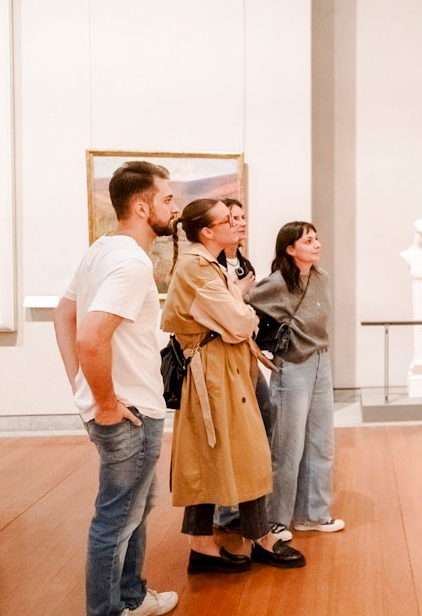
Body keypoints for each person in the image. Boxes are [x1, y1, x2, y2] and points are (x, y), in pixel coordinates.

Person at [53, 161, 180, 616]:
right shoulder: (130, 261)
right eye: (167, 199)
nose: (174, 206)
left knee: (134, 511)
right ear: (142, 206)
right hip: (127, 413)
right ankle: (107, 610)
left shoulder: (101, 249)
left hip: (127, 406)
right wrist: (104, 404)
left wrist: (78, 386)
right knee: (116, 520)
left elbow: (64, 315)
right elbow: (88, 335)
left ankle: (131, 596)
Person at [161, 199, 305, 572]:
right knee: (245, 452)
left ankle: (210, 543)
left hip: (223, 370)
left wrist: (239, 309)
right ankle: (256, 537)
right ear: (208, 231)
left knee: (218, 455)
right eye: (227, 220)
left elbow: (236, 315)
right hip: (214, 374)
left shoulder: (205, 265)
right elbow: (241, 321)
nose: (236, 223)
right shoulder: (197, 267)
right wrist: (241, 309)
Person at [247, 221, 343, 541]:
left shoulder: (321, 277)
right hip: (292, 367)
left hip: (321, 362)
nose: (316, 245)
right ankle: (277, 519)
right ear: (290, 249)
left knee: (321, 442)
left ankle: (312, 514)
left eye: (317, 238)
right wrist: (252, 346)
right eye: (308, 241)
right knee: (288, 448)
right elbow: (242, 307)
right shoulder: (276, 283)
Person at [212, 198, 272, 533]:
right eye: (232, 218)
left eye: (242, 216)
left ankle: (252, 502)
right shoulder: (210, 265)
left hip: (246, 356)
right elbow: (224, 313)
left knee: (264, 419)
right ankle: (226, 508)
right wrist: (240, 292)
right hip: (224, 359)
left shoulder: (244, 263)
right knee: (231, 433)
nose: (240, 222)